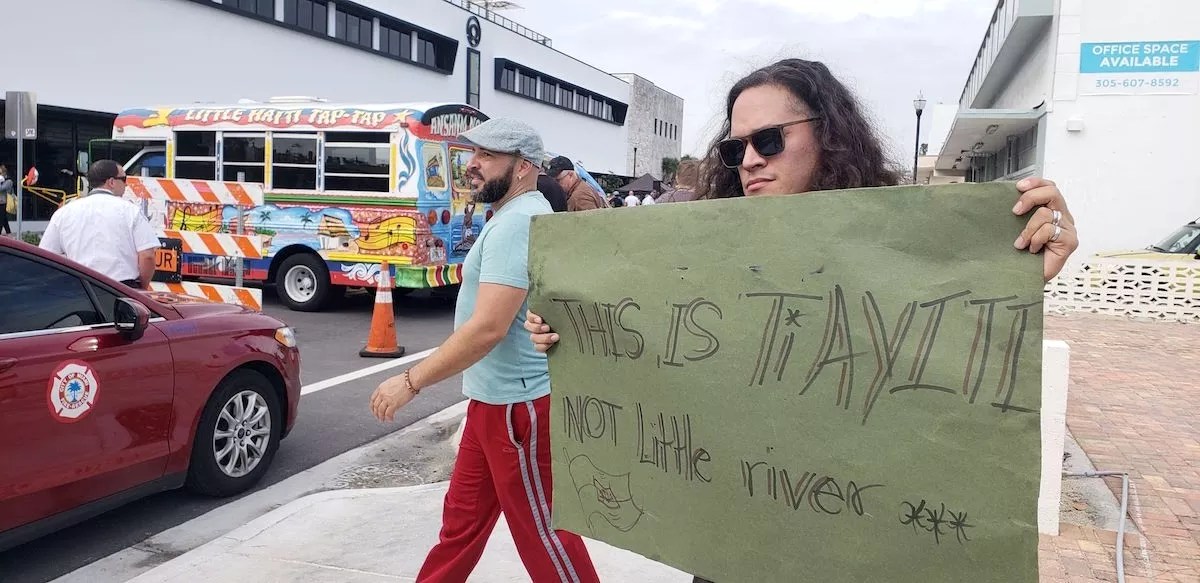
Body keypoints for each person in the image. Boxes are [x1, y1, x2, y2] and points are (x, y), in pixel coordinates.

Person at [522, 58, 1079, 583]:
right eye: (733, 148)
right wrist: (569, 335)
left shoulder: (902, 248)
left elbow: (945, 350)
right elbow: (654, 354)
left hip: (845, 541)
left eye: (769, 139)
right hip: (725, 539)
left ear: (827, 134)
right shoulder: (692, 255)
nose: (750, 161)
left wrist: (1024, 266)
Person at [369, 118, 600, 583]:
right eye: (472, 155)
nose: (471, 165)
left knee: (546, 539)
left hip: (516, 411)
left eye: (486, 156)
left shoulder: (518, 224)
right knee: (460, 529)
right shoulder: (509, 217)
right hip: (490, 404)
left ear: (522, 167)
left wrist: (410, 381)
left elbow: (487, 329)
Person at [39, 160, 160, 289]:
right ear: (111, 182)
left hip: (80, 291)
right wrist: (142, 287)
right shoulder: (131, 211)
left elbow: (45, 256)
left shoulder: (64, 212)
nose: (126, 185)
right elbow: (147, 256)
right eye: (124, 179)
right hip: (123, 291)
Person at [0, 165, 13, 236]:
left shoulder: (8, 181)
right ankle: (9, 233)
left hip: (3, 203)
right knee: (4, 219)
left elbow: (1, 189)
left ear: (4, 173)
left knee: (1, 219)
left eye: (0, 173)